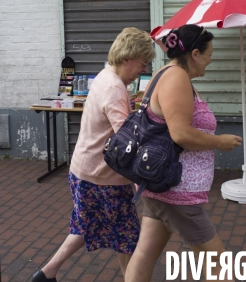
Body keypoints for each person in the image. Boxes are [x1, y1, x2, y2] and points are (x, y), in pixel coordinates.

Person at [31, 27, 156, 282]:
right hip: (103, 178)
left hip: (84, 170)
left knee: (87, 226)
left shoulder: (105, 76)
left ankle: (46, 273)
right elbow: (127, 141)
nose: (143, 70)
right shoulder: (114, 88)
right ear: (128, 57)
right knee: (128, 239)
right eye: (143, 63)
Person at [124, 25, 242, 282]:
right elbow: (180, 134)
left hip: (162, 185)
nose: (210, 62)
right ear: (195, 54)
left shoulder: (167, 74)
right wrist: (218, 141)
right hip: (177, 191)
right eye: (209, 56)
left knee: (145, 253)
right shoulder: (176, 77)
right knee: (219, 264)